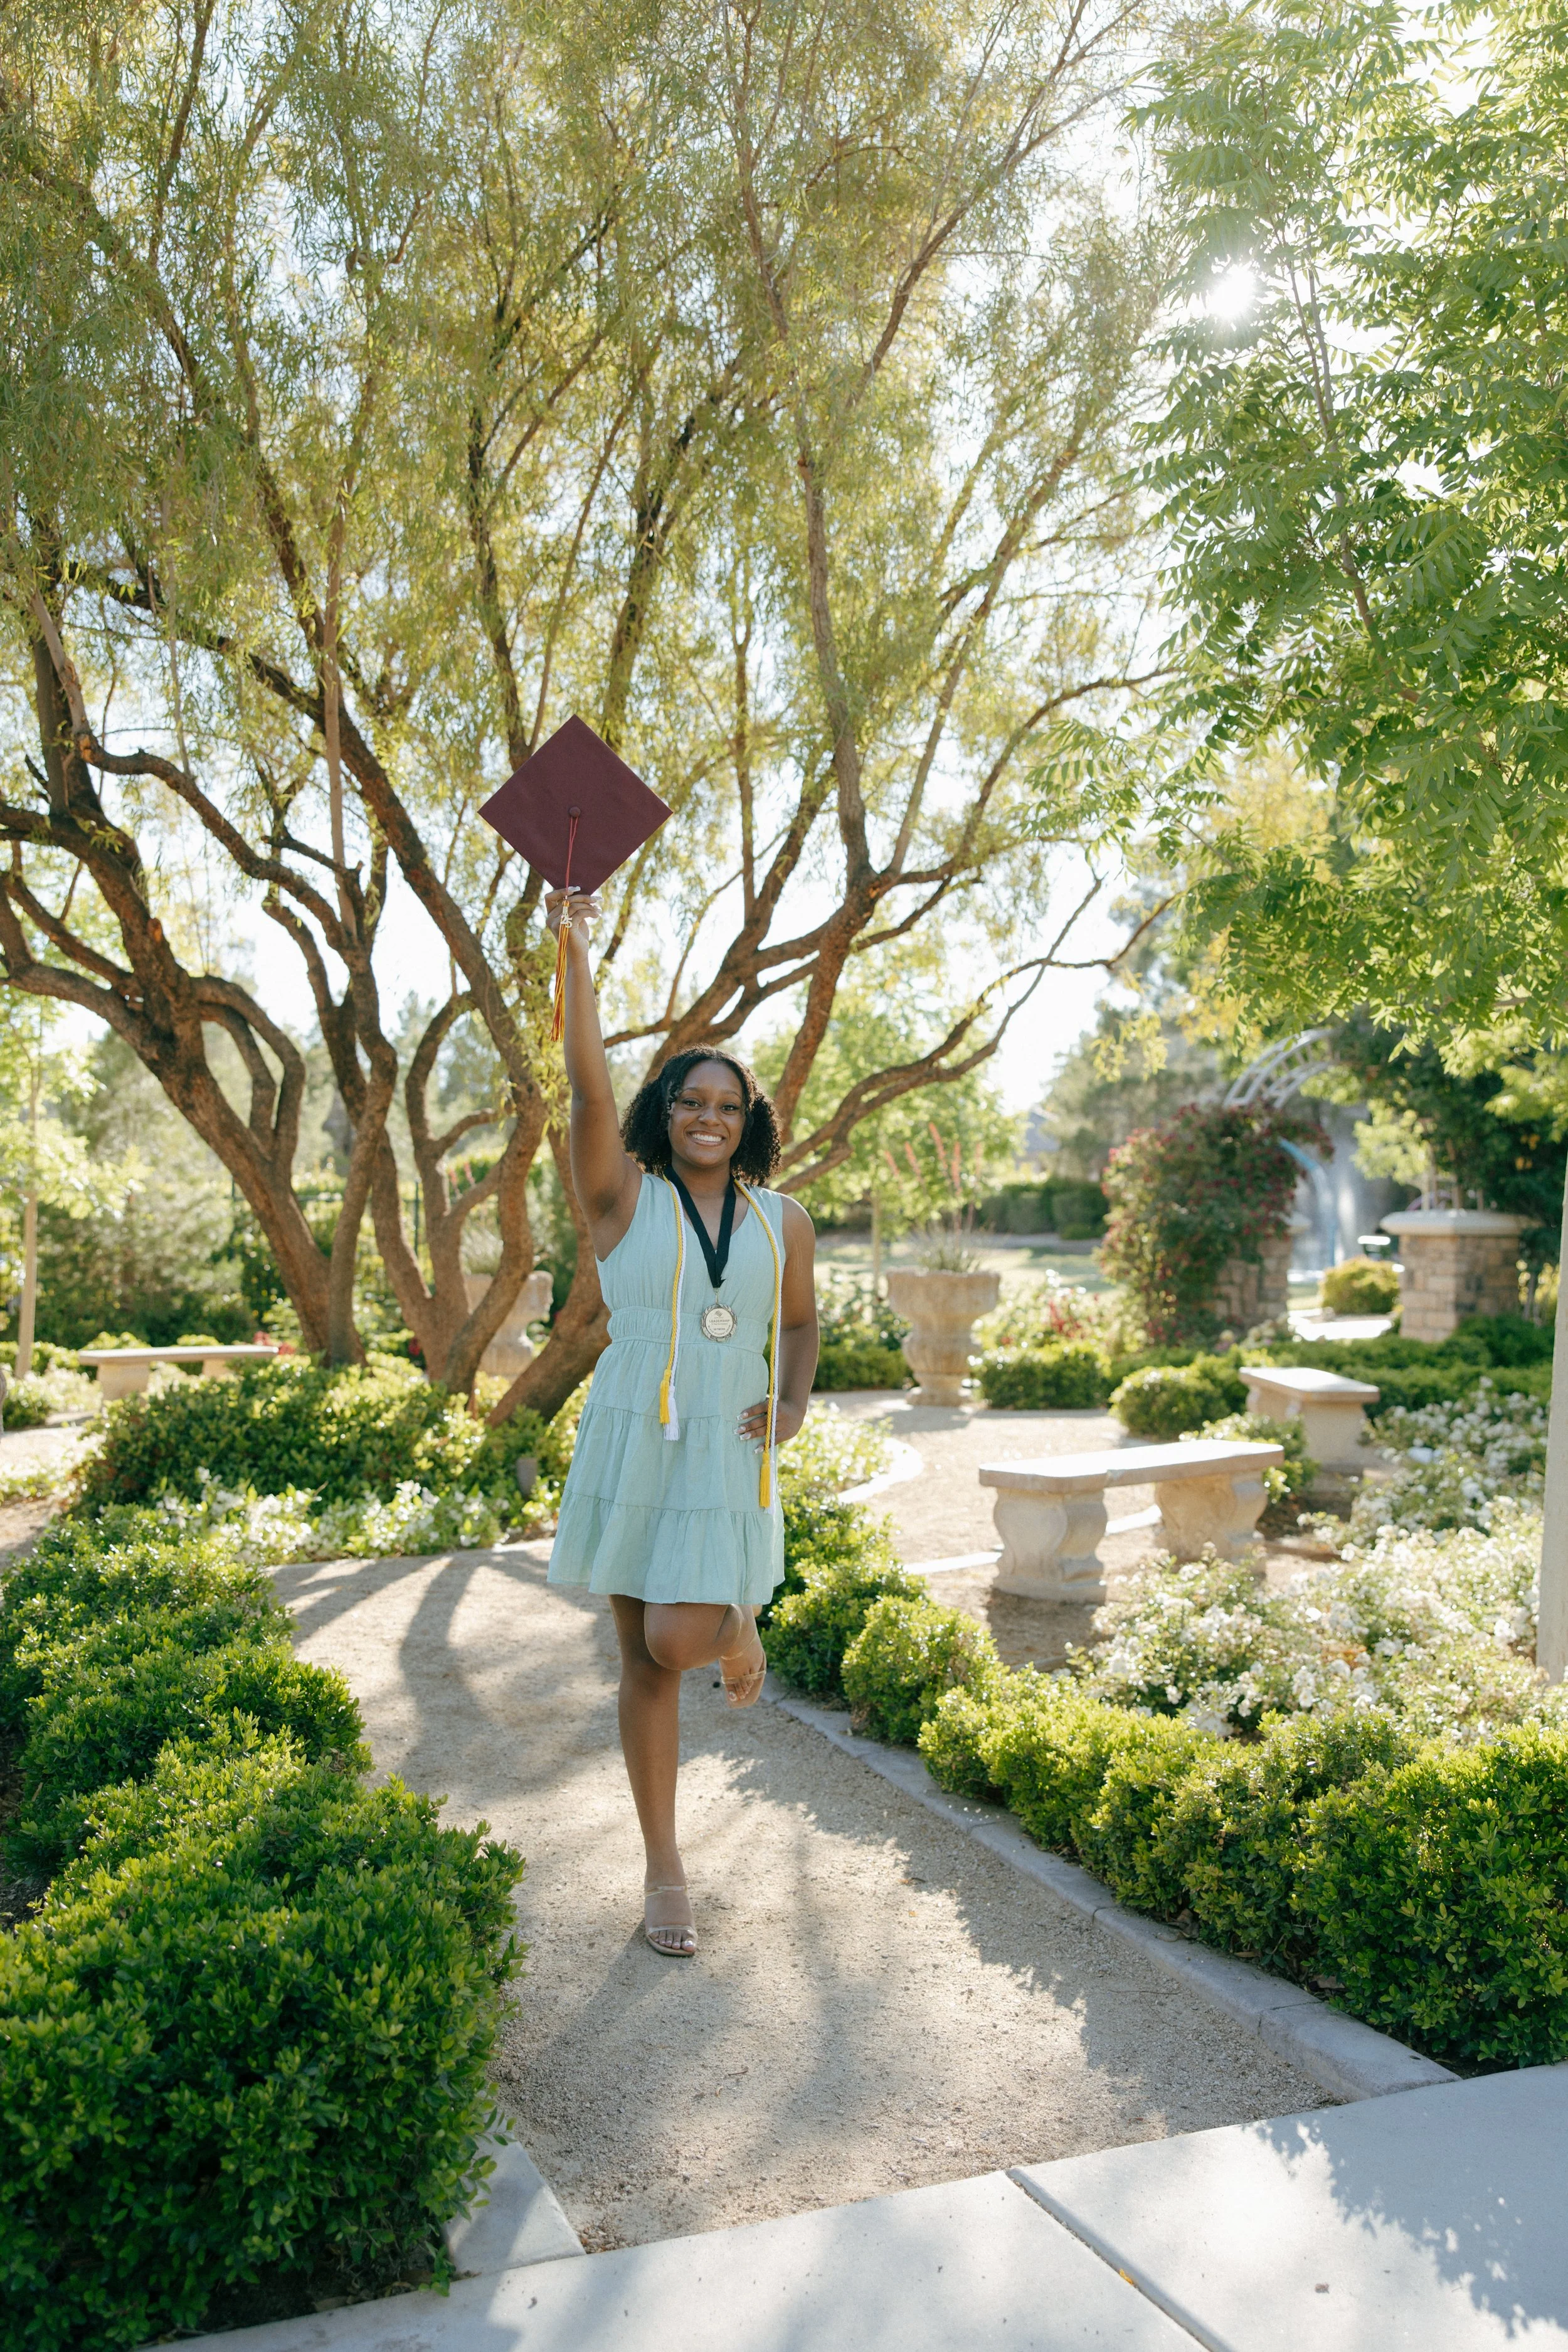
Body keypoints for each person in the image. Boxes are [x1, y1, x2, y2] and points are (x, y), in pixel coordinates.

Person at [545, 886, 818, 1957]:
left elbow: (797, 1327)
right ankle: (665, 1868)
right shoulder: (622, 1196)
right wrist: (576, 953)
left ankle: (738, 1627)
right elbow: (583, 1091)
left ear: (748, 1124)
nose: (711, 1116)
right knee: (645, 1662)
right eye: (693, 1100)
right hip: (633, 1433)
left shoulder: (780, 1219)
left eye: (731, 1106)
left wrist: (792, 1403)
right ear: (666, 1109)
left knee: (677, 1631)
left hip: (730, 1444)